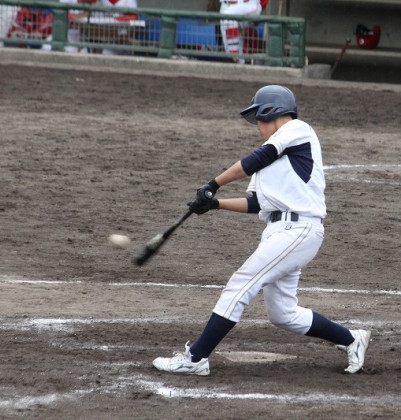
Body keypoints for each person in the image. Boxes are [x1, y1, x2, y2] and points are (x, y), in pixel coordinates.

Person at [152, 85, 371, 376]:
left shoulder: (297, 130)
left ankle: (195, 358)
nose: (257, 125)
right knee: (282, 313)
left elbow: (256, 158)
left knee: (241, 283)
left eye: (258, 117)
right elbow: (256, 203)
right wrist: (214, 204)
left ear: (273, 111)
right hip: (279, 231)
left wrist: (213, 183)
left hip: (299, 228)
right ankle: (352, 339)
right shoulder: (272, 161)